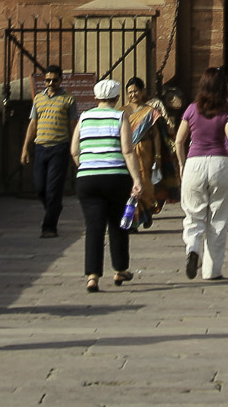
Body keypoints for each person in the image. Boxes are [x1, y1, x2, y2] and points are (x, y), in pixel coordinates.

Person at [71, 78, 148, 293]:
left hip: (87, 178)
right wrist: (137, 180)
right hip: (115, 177)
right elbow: (127, 150)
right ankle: (120, 269)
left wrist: (86, 166)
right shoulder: (119, 116)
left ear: (96, 98)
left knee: (94, 227)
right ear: (116, 98)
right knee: (119, 224)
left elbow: (74, 150)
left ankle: (92, 276)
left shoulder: (84, 117)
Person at [174, 66, 228, 280]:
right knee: (218, 218)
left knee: (193, 213)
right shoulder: (226, 111)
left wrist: (181, 163)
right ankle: (212, 271)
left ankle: (193, 249)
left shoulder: (191, 109)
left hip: (194, 163)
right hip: (219, 164)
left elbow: (178, 141)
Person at [18, 64, 75, 238]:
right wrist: (25, 148)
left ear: (60, 80)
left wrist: (75, 150)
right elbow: (33, 124)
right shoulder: (38, 99)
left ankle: (49, 227)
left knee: (53, 189)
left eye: (54, 80)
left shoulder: (68, 99)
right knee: (40, 188)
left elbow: (73, 126)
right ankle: (54, 207)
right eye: (47, 80)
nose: (50, 83)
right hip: (40, 147)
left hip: (59, 147)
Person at [122, 77, 177, 224]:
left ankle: (146, 213)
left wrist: (158, 155)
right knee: (129, 186)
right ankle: (133, 220)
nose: (133, 95)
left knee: (145, 185)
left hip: (146, 152)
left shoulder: (150, 112)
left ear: (143, 92)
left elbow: (157, 135)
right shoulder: (122, 112)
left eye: (136, 91)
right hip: (127, 153)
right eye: (130, 92)